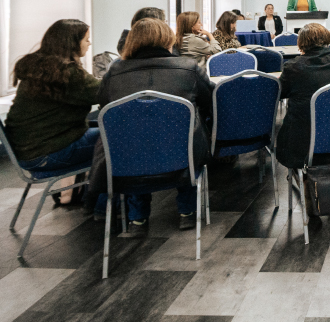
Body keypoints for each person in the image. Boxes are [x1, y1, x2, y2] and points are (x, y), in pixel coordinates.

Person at [95, 18, 214, 234]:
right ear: (167, 40)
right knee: (184, 133)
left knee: (135, 136)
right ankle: (187, 212)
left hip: (128, 157)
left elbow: (105, 107)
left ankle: (137, 219)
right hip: (181, 154)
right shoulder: (188, 68)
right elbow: (211, 102)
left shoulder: (114, 72)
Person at [4, 20, 99, 205]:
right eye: (87, 39)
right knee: (118, 137)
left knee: (100, 128)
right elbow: (108, 91)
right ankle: (104, 203)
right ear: (72, 43)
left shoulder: (39, 68)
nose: (89, 44)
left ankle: (74, 193)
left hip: (25, 152)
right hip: (48, 153)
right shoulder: (69, 73)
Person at [275, 23, 330, 170]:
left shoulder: (294, 67)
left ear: (301, 43)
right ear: (327, 39)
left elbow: (280, 94)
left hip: (303, 144)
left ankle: (305, 182)